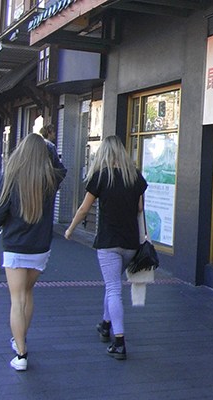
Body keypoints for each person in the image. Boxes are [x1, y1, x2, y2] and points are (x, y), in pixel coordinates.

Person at [0, 134, 66, 371]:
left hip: (15, 246)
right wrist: (49, 146)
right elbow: (62, 168)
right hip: (40, 247)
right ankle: (20, 339)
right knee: (28, 294)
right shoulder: (50, 179)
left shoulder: (11, 176)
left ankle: (21, 353)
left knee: (16, 299)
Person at [64, 135, 147, 360]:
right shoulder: (135, 177)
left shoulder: (101, 177)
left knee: (113, 289)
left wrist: (70, 230)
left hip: (109, 242)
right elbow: (140, 208)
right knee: (113, 286)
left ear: (104, 153)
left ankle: (119, 341)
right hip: (130, 243)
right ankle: (105, 324)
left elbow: (83, 209)